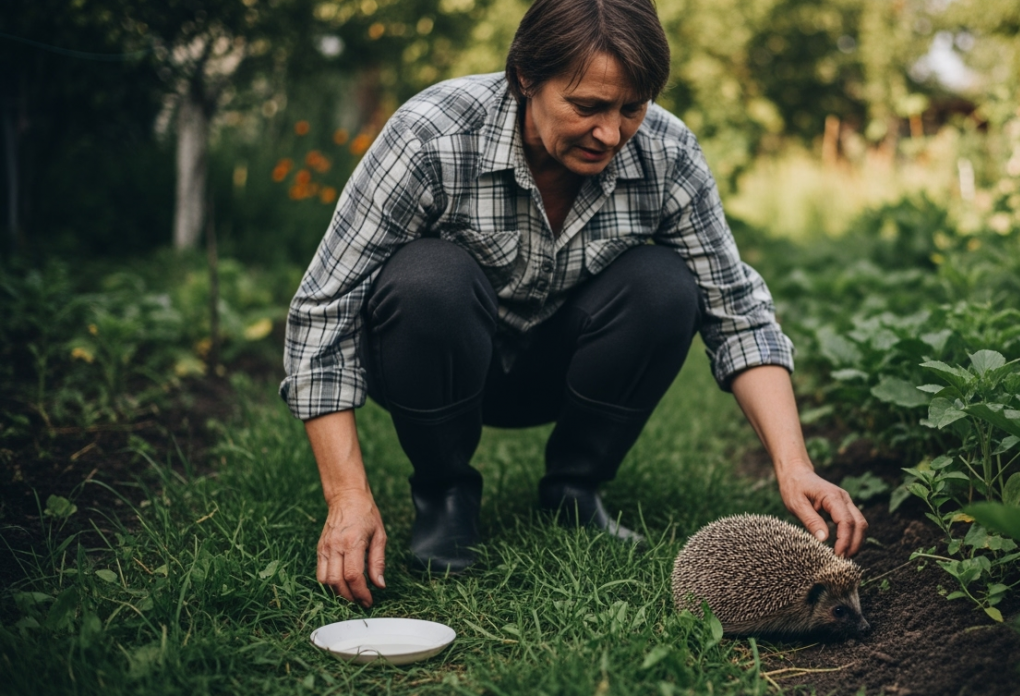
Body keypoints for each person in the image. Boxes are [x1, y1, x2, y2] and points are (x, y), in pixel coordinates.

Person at [282, 0, 868, 607]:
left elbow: (736, 310)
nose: (610, 133)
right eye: (586, 107)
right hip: (435, 364)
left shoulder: (668, 153)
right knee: (427, 277)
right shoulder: (432, 134)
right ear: (524, 79)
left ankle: (575, 489)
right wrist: (347, 495)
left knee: (666, 284)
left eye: (631, 108)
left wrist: (793, 464)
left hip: (557, 372)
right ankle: (445, 495)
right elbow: (324, 308)